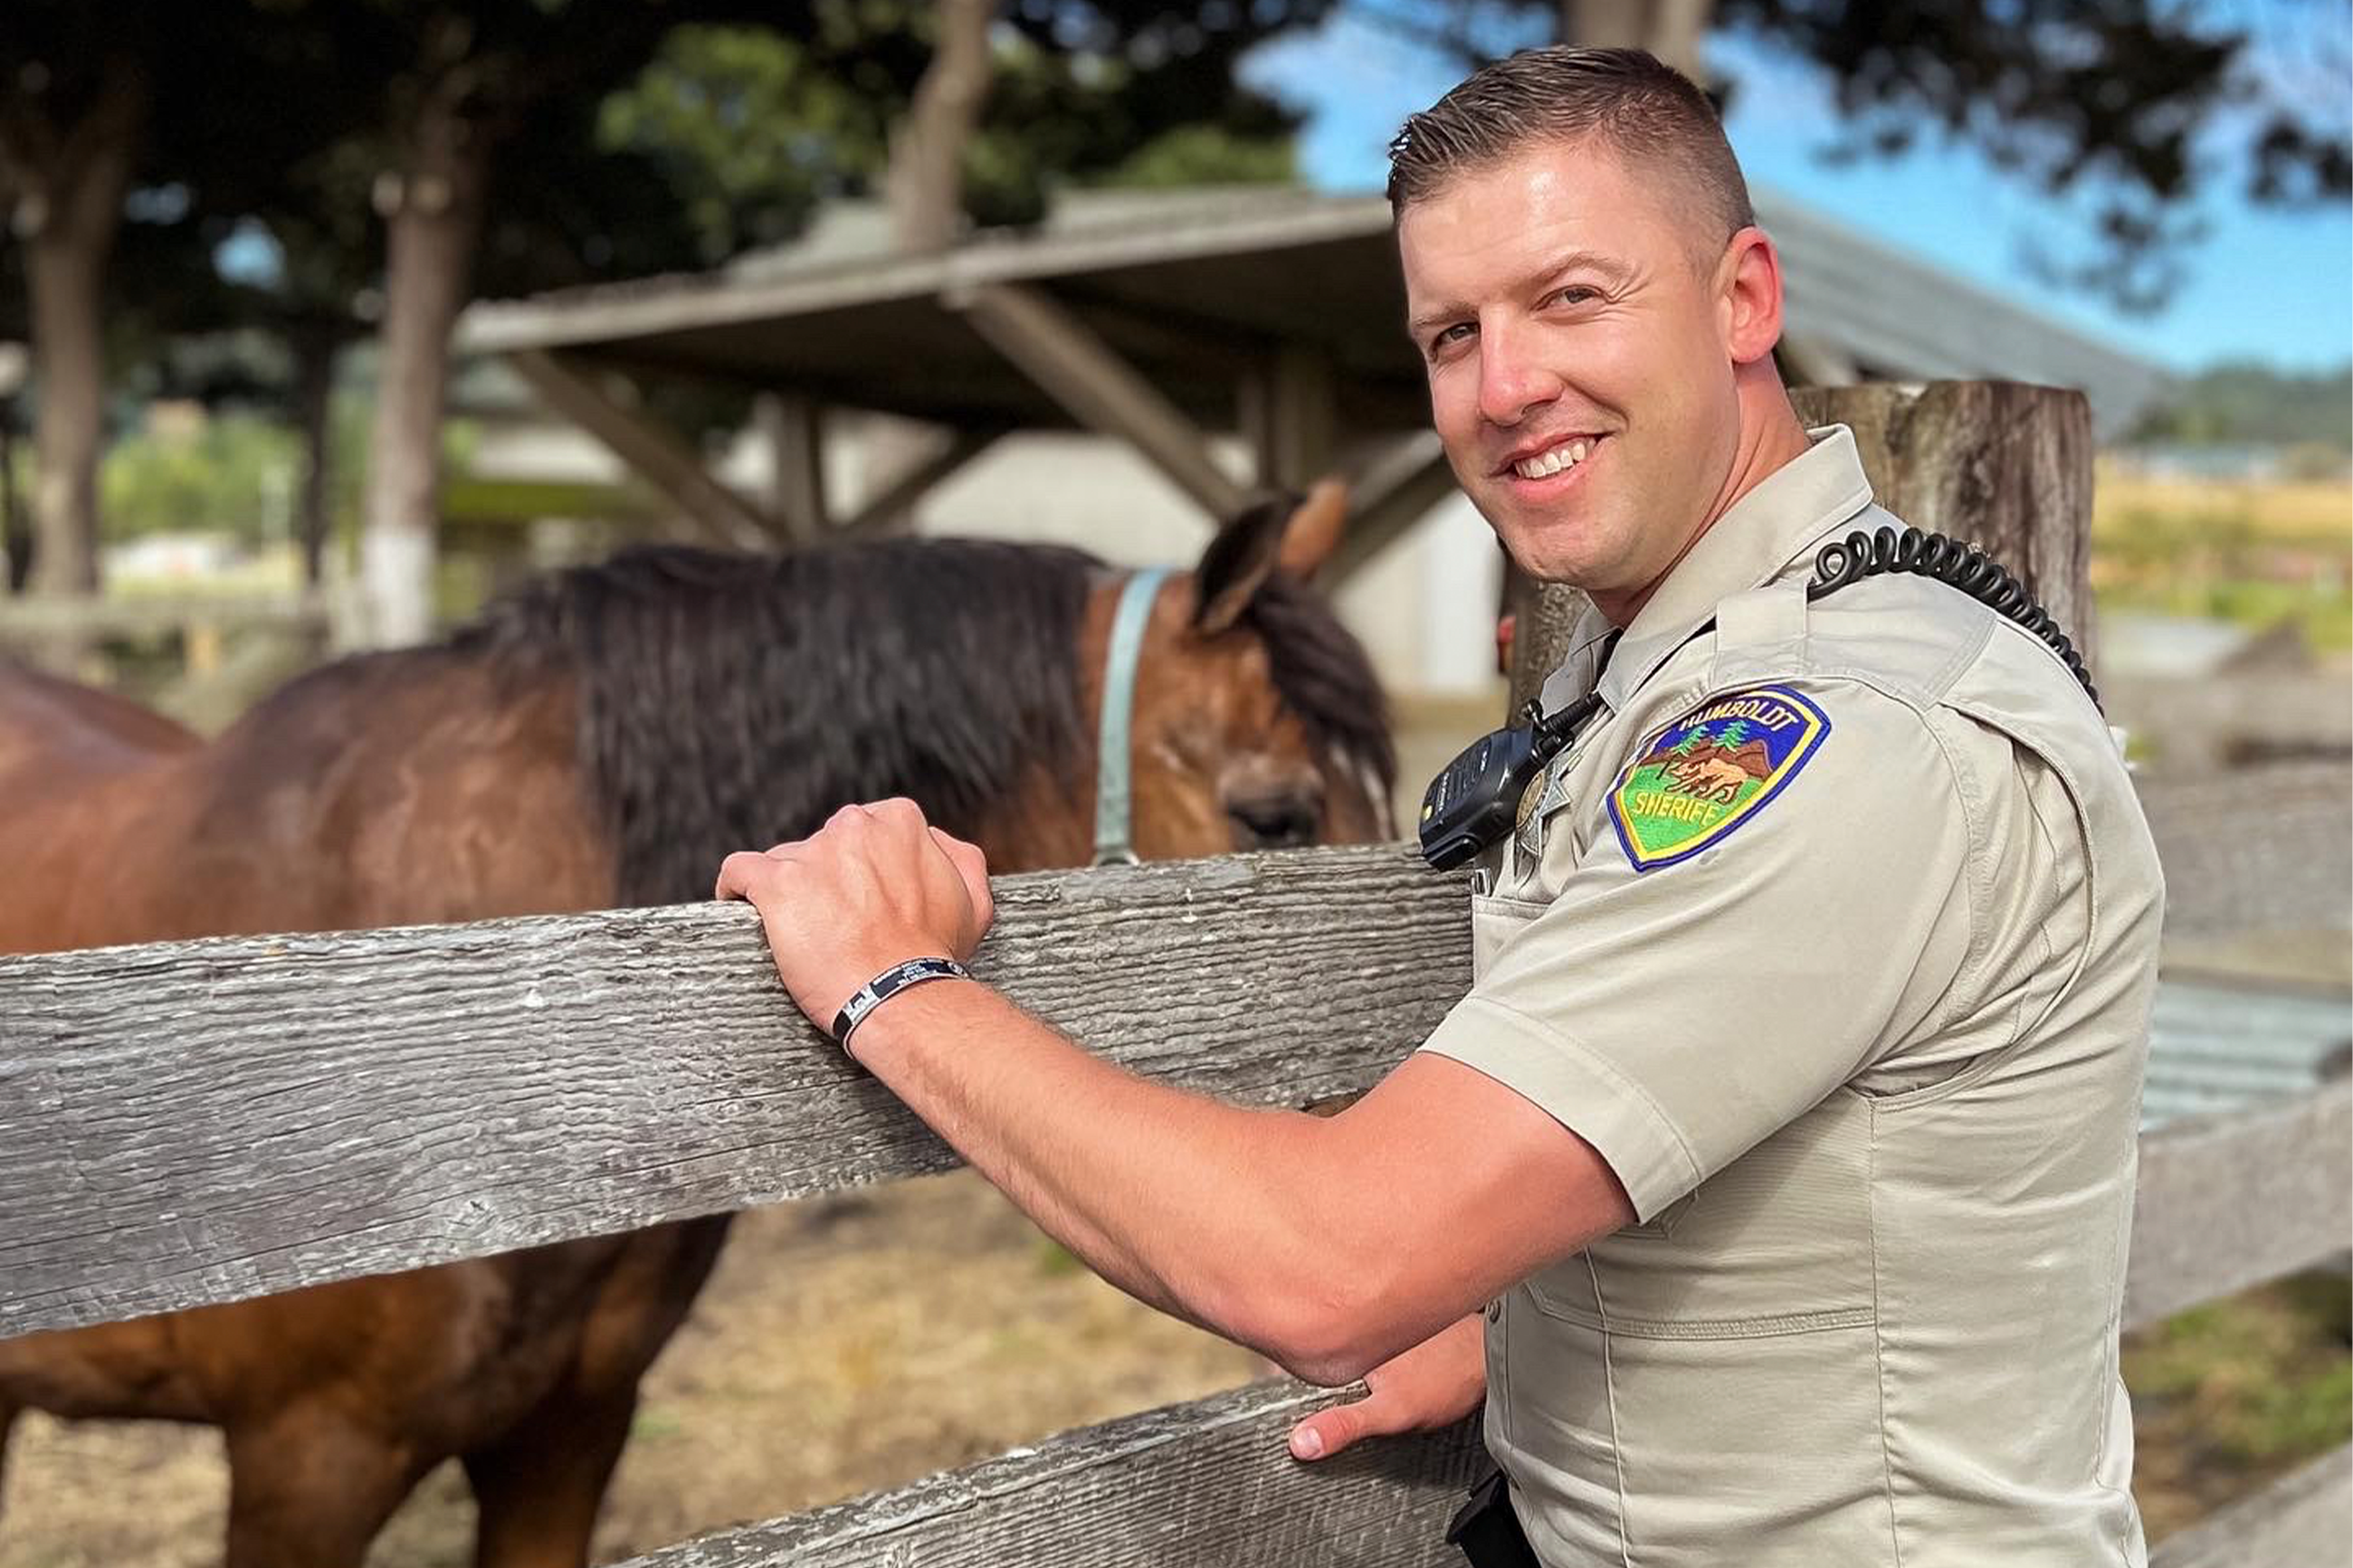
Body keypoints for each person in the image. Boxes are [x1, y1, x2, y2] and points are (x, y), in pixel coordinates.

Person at [717, 47, 2165, 1568]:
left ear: (1745, 299)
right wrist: (1535, 1335)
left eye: (1572, 299)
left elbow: (1329, 1265)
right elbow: (1811, 1149)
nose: (1506, 385)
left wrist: (893, 984)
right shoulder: (1702, 667)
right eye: (1451, 332)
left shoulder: (1839, 733)